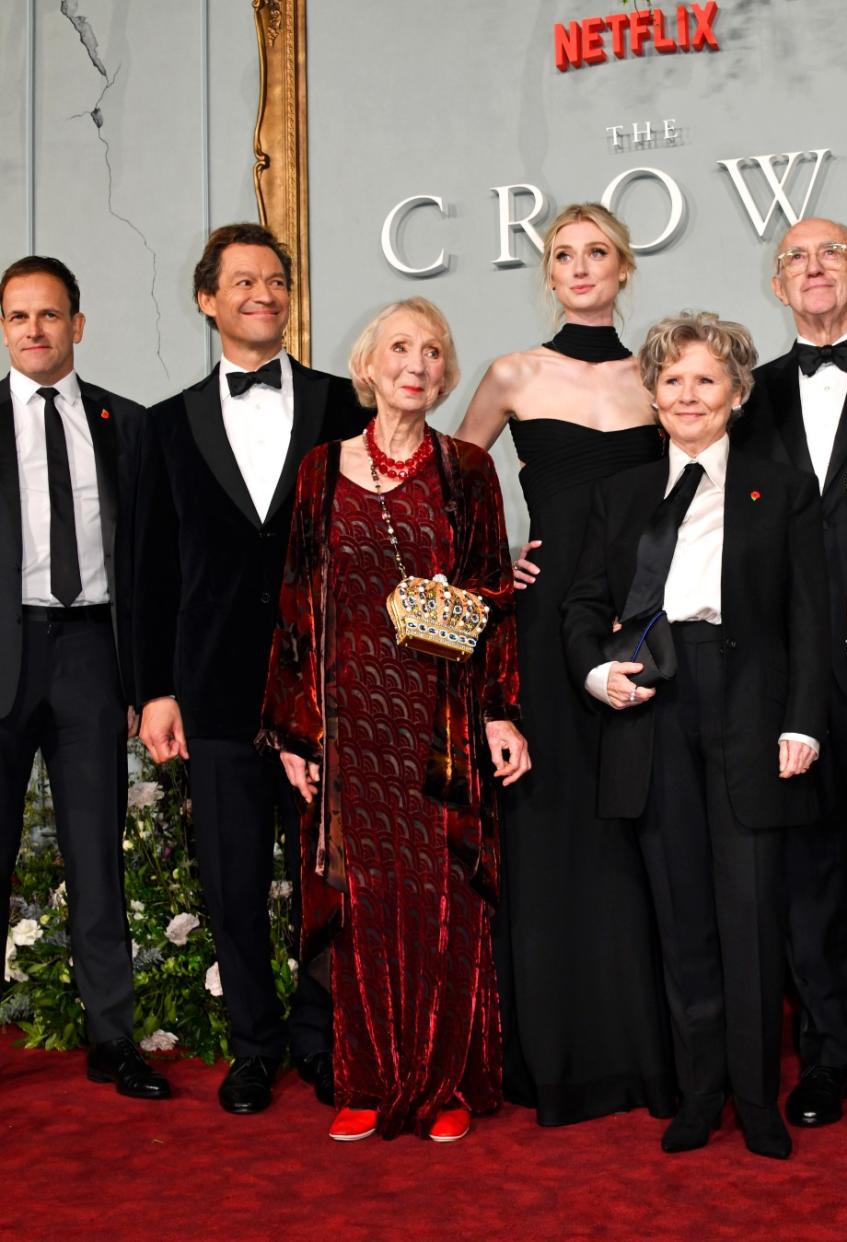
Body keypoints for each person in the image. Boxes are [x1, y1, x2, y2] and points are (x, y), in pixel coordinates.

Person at [259, 297, 529, 1142]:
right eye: (400, 348)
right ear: (368, 367)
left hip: (439, 722)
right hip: (350, 729)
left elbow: (490, 598)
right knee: (366, 906)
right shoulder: (315, 470)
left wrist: (499, 714)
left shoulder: (468, 470)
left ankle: (446, 1086)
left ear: (446, 376)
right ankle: (367, 1079)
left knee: (445, 901)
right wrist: (295, 729)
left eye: (434, 352)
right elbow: (299, 605)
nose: (417, 362)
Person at [563, 311, 830, 1160]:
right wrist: (595, 674)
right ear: (652, 394)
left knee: (750, 913)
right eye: (672, 380)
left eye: (706, 380)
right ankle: (699, 1091)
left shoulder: (780, 489)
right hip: (648, 703)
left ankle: (756, 1099)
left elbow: (808, 617)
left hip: (748, 703)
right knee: (682, 920)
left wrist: (802, 720)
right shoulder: (621, 496)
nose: (688, 394)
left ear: (738, 395)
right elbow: (581, 607)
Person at [133, 223, 366, 1114]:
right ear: (207, 299)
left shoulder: (347, 405)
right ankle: (253, 1050)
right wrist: (153, 690)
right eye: (241, 282)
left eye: (274, 280)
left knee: (328, 876)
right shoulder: (162, 426)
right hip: (216, 689)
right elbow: (150, 567)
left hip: (327, 691)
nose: (261, 294)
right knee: (231, 880)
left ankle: (322, 1039)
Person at [455, 203, 675, 1126]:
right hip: (542, 629)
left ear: (623, 269)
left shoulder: (665, 376)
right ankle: (552, 1059)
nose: (580, 268)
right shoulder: (512, 373)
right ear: (547, 274)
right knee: (548, 834)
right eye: (563, 256)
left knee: (637, 831)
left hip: (643, 622)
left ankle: (646, 1054)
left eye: (597, 254)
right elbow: (450, 492)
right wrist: (496, 563)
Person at [733, 216, 847, 1127]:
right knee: (805, 884)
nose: (813, 267)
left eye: (830, 253)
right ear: (776, 285)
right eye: (795, 257)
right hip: (787, 674)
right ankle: (828, 1059)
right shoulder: (743, 393)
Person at [0, 255, 168, 1100]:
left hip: (91, 659)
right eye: (18, 317)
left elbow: (149, 567)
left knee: (96, 857)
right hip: (6, 652)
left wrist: (147, 679)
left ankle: (113, 1039)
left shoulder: (125, 424)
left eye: (49, 315)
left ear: (78, 325)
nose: (34, 330)